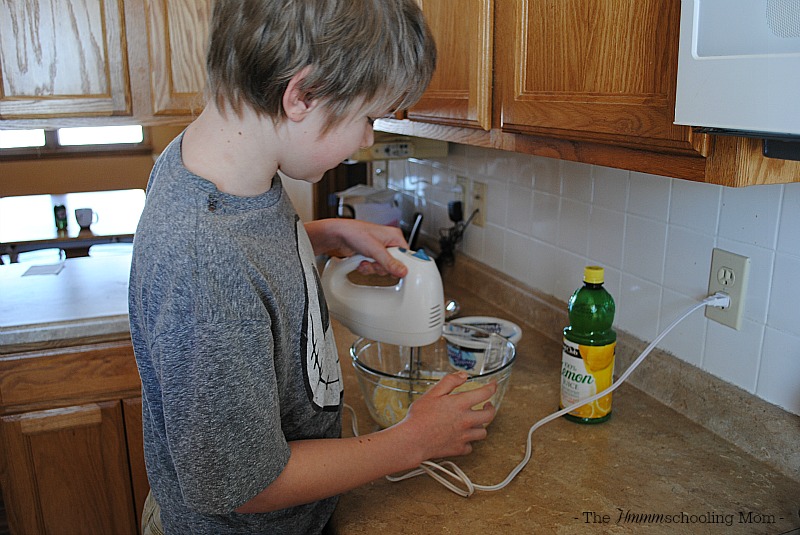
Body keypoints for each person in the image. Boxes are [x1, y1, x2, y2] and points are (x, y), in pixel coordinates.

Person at [128, 0, 498, 533]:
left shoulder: (219, 165)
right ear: (301, 94)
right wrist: (410, 442)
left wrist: (323, 234)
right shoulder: (202, 265)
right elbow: (244, 485)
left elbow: (241, 255)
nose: (368, 138)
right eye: (368, 117)